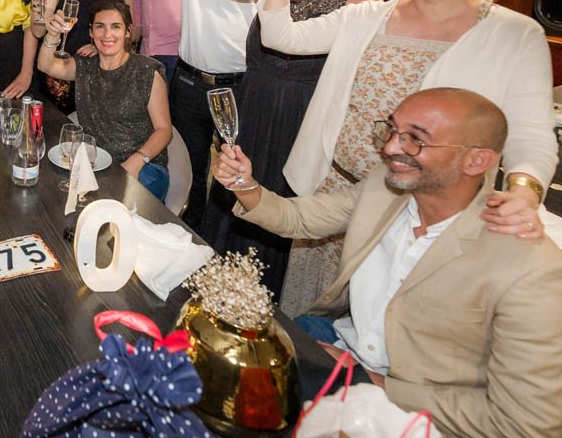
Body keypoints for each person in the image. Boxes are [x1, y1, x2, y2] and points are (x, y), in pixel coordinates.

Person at [256, 0, 557, 315]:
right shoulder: (367, 15)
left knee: (389, 326)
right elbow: (279, 36)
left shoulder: (513, 33)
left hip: (427, 205)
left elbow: (530, 134)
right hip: (335, 192)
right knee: (314, 323)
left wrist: (524, 192)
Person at [212, 88, 562, 438]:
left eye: (415, 139)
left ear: (476, 161)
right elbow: (300, 218)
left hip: (420, 399)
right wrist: (244, 183)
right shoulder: (384, 186)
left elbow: (525, 423)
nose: (391, 147)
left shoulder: (529, 266)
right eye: (392, 130)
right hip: (339, 341)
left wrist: (373, 383)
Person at [156, 0, 377, 295]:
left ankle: (266, 301)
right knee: (233, 194)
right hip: (252, 109)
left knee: (285, 206)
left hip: (303, 120)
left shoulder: (360, 1)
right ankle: (216, 289)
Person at [112, 0, 273, 233]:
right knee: (191, 167)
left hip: (243, 85)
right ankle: (193, 239)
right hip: (190, 81)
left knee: (239, 169)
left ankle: (232, 243)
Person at [37, 0, 172, 201]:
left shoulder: (146, 71)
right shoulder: (85, 66)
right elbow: (46, 65)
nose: (107, 35)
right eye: (100, 27)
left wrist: (137, 161)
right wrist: (53, 34)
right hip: (97, 164)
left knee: (106, 207)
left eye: (115, 27)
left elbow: (164, 130)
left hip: (144, 167)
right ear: (91, 32)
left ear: (128, 31)